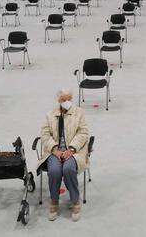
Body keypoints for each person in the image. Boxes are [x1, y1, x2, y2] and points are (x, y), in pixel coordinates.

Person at [37, 88, 90, 222]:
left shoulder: (79, 113)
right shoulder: (50, 115)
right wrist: (54, 149)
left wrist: (71, 149)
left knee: (68, 169)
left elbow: (83, 133)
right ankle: (54, 201)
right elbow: (44, 134)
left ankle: (75, 201)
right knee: (54, 171)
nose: (66, 102)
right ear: (58, 100)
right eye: (63, 100)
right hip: (54, 151)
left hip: (73, 151)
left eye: (68, 99)